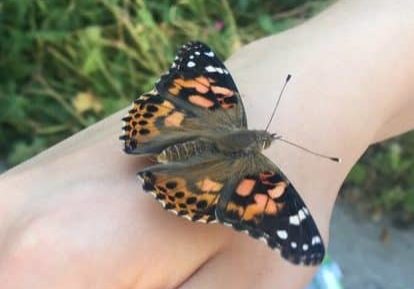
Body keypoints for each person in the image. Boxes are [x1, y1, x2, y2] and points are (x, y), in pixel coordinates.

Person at [0, 0, 413, 288]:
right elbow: (196, 57)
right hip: (201, 179)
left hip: (177, 131)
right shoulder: (268, 181)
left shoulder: (227, 107)